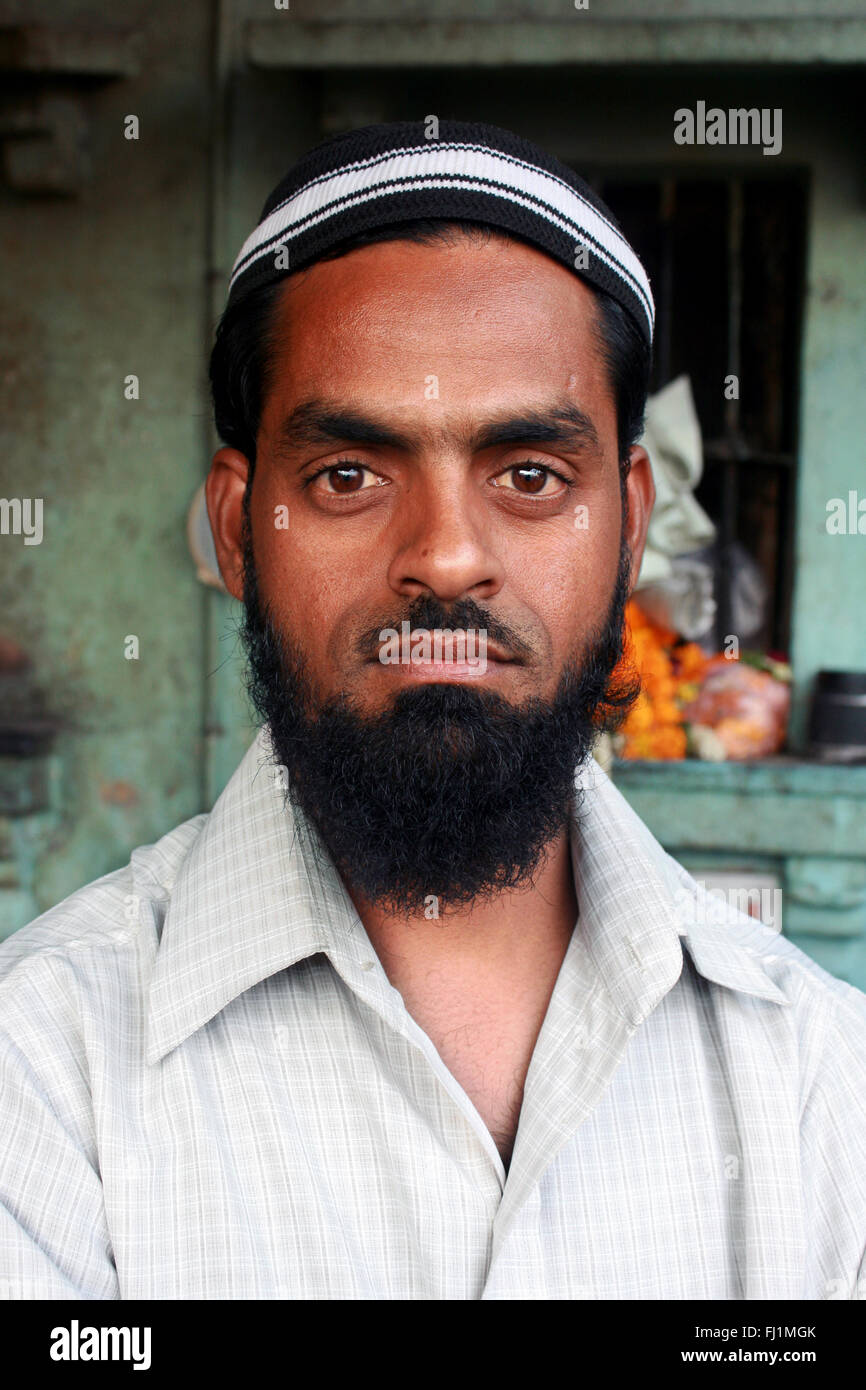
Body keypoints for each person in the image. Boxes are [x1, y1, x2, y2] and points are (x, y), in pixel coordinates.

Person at [1, 121, 864, 1301]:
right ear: (238, 528)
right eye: (348, 475)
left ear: (626, 523)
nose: (447, 559)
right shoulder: (44, 1076)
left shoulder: (822, 1087)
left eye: (528, 475)